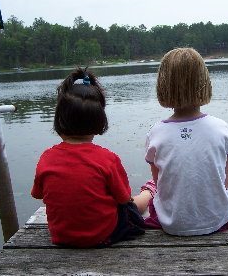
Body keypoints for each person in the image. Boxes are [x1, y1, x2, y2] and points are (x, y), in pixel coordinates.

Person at [31, 68, 153, 248]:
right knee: (131, 206)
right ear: (99, 121)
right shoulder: (107, 158)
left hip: (62, 238)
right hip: (103, 236)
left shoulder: (46, 158)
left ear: (59, 120)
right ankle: (150, 191)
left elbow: (38, 194)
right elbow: (123, 198)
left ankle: (148, 192)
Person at [143, 48, 228, 236]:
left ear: (163, 85)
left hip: (172, 224)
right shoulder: (221, 127)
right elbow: (225, 181)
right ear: (205, 83)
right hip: (215, 220)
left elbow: (160, 185)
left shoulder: (156, 133)